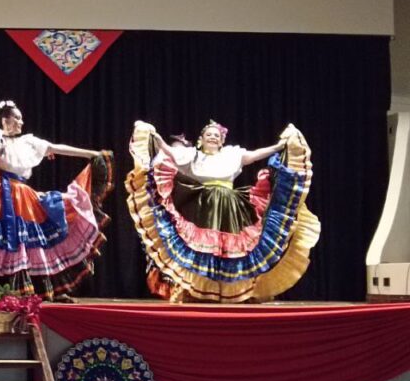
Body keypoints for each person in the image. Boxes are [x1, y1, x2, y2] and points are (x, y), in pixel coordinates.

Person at [0, 80, 113, 301]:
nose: (21, 121)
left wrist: (92, 154)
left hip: (23, 195)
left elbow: (56, 148)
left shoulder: (30, 142)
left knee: (35, 242)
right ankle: (5, 292)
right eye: (17, 118)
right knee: (5, 244)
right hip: (2, 196)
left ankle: (44, 290)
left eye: (21, 118)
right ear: (5, 120)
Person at [126, 119, 320, 303]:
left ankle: (234, 292)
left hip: (230, 207)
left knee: (231, 251)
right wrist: (156, 137)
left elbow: (255, 154)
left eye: (217, 135)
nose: (213, 137)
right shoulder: (191, 155)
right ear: (201, 140)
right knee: (202, 250)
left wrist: (279, 147)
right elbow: (168, 152)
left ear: (222, 140)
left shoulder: (231, 155)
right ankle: (198, 292)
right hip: (202, 206)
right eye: (209, 134)